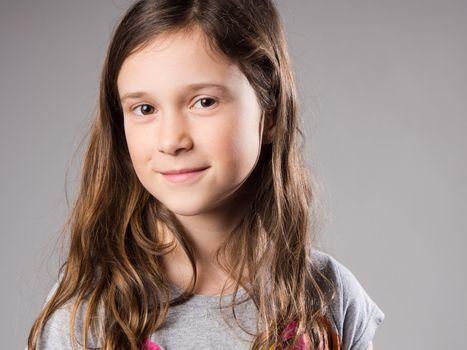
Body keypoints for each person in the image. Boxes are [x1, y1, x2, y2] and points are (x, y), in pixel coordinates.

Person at [27, 0, 385, 349]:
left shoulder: (328, 297)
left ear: (270, 112)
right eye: (145, 108)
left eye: (204, 102)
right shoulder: (88, 313)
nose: (171, 140)